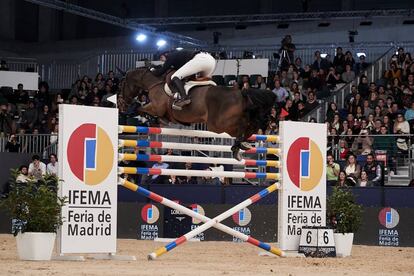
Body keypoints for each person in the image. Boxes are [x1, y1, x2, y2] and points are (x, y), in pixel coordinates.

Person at [151, 50, 216, 110]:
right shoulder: (178, 55)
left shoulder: (171, 56)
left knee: (175, 77)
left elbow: (160, 72)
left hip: (200, 60)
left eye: (161, 58)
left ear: (165, 54)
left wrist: (152, 70)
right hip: (211, 61)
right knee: (202, 82)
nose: (162, 60)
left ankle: (184, 98)